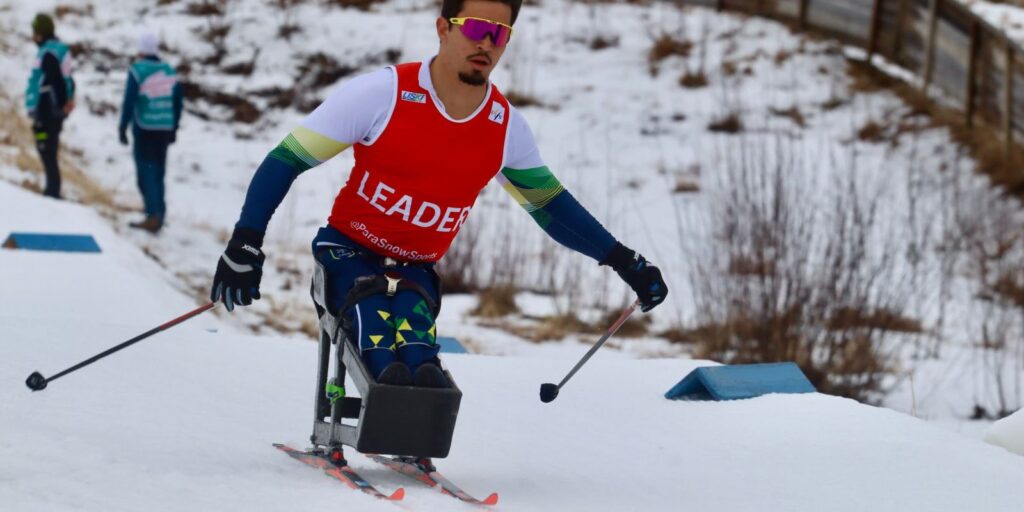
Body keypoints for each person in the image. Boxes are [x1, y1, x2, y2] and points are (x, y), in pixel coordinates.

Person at [211, 0, 667, 389]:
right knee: (376, 345)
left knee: (420, 362)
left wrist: (624, 260)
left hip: (416, 268)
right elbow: (287, 158)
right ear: (443, 29)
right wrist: (245, 242)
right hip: (346, 254)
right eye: (475, 28)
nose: (485, 43)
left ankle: (414, 436)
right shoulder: (382, 94)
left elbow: (550, 207)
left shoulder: (505, 128)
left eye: (499, 34)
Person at [119, 32, 183, 233]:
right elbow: (178, 102)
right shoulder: (169, 71)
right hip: (164, 128)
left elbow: (129, 101)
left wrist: (123, 126)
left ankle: (153, 216)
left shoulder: (138, 71)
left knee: (145, 172)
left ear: (141, 50)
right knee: (159, 172)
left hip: (145, 127)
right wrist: (174, 127)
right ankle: (159, 212)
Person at [25, 13, 75, 199]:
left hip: (47, 110)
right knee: (47, 147)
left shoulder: (49, 53)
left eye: (35, 32)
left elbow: (55, 81)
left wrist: (60, 106)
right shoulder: (58, 49)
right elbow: (67, 79)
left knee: (46, 147)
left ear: (40, 33)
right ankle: (51, 188)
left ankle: (52, 191)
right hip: (51, 109)